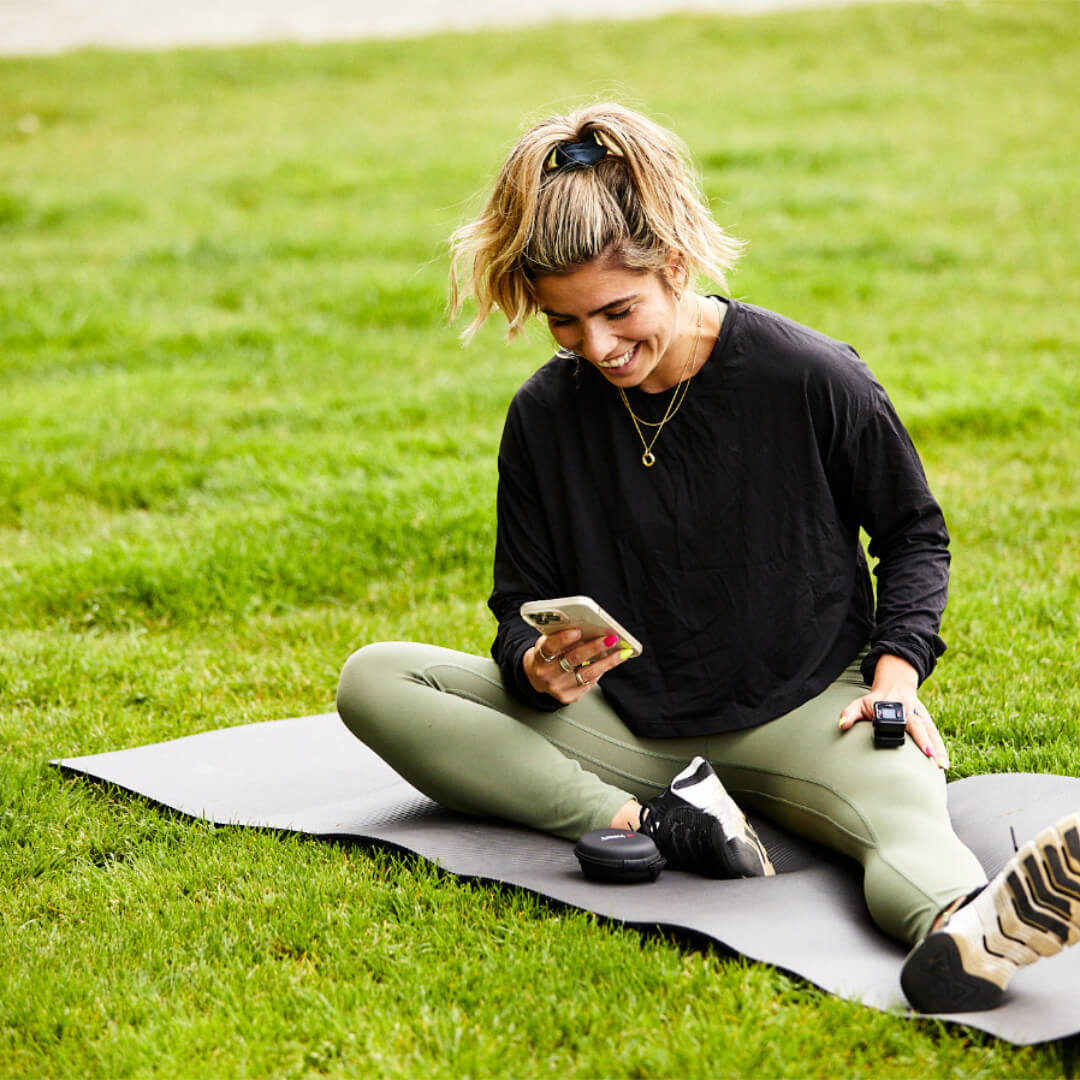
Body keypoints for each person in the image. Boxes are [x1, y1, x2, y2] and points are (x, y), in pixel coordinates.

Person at [336, 102, 1080, 1013]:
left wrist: (894, 680)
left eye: (618, 312)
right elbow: (518, 600)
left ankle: (970, 934)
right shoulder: (542, 414)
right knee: (376, 679)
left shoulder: (810, 376)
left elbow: (914, 535)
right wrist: (535, 669)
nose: (597, 347)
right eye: (565, 325)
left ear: (675, 266)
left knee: (905, 821)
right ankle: (657, 828)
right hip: (629, 727)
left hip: (806, 705)